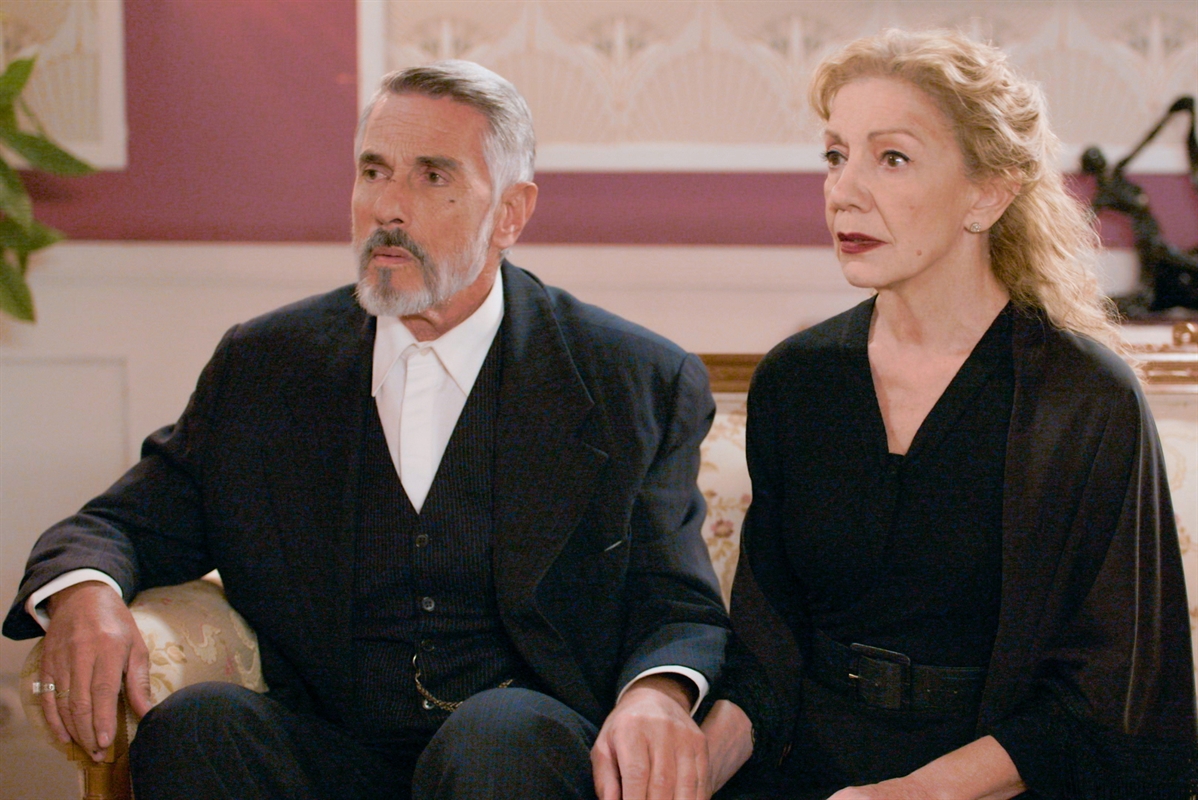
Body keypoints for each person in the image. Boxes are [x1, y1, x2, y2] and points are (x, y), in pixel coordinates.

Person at [3, 60, 730, 800]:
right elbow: (123, 523)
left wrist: (657, 696)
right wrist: (85, 594)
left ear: (510, 213)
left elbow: (675, 603)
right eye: (374, 172)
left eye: (432, 177)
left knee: (498, 735)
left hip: (519, 757)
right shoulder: (267, 365)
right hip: (330, 754)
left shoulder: (630, 377)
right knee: (196, 726)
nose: (388, 207)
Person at [700, 29, 1196, 800]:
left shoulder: (1084, 399)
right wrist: (694, 765)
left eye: (891, 158)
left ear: (988, 193)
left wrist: (917, 794)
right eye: (835, 156)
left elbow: (1108, 694)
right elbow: (766, 652)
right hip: (799, 768)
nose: (844, 191)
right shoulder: (796, 381)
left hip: (991, 778)